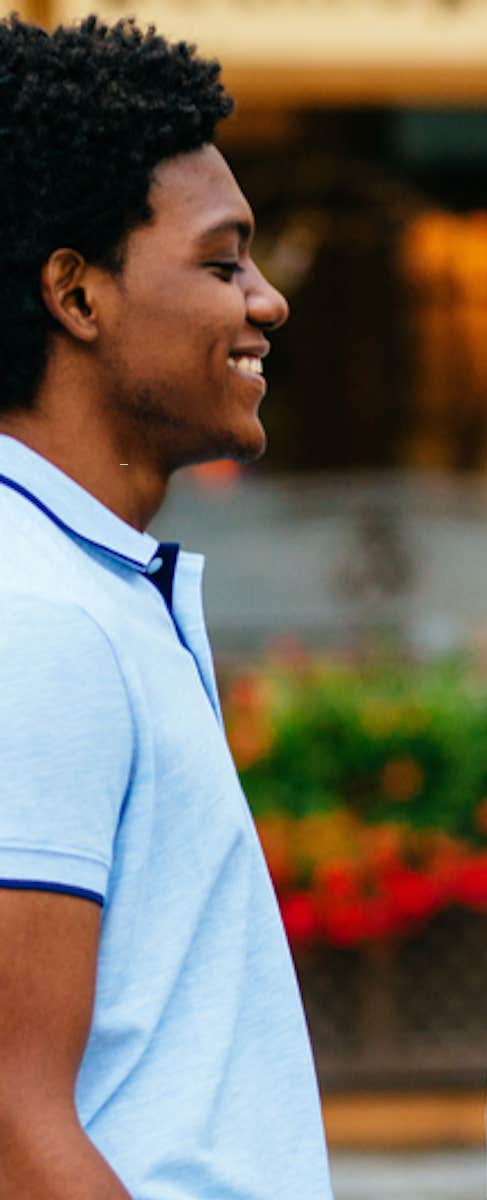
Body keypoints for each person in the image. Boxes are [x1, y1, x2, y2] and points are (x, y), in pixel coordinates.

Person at [0, 15, 332, 1198]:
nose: (268, 301)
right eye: (223, 260)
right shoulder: (36, 616)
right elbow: (10, 1124)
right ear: (76, 297)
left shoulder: (83, 582)